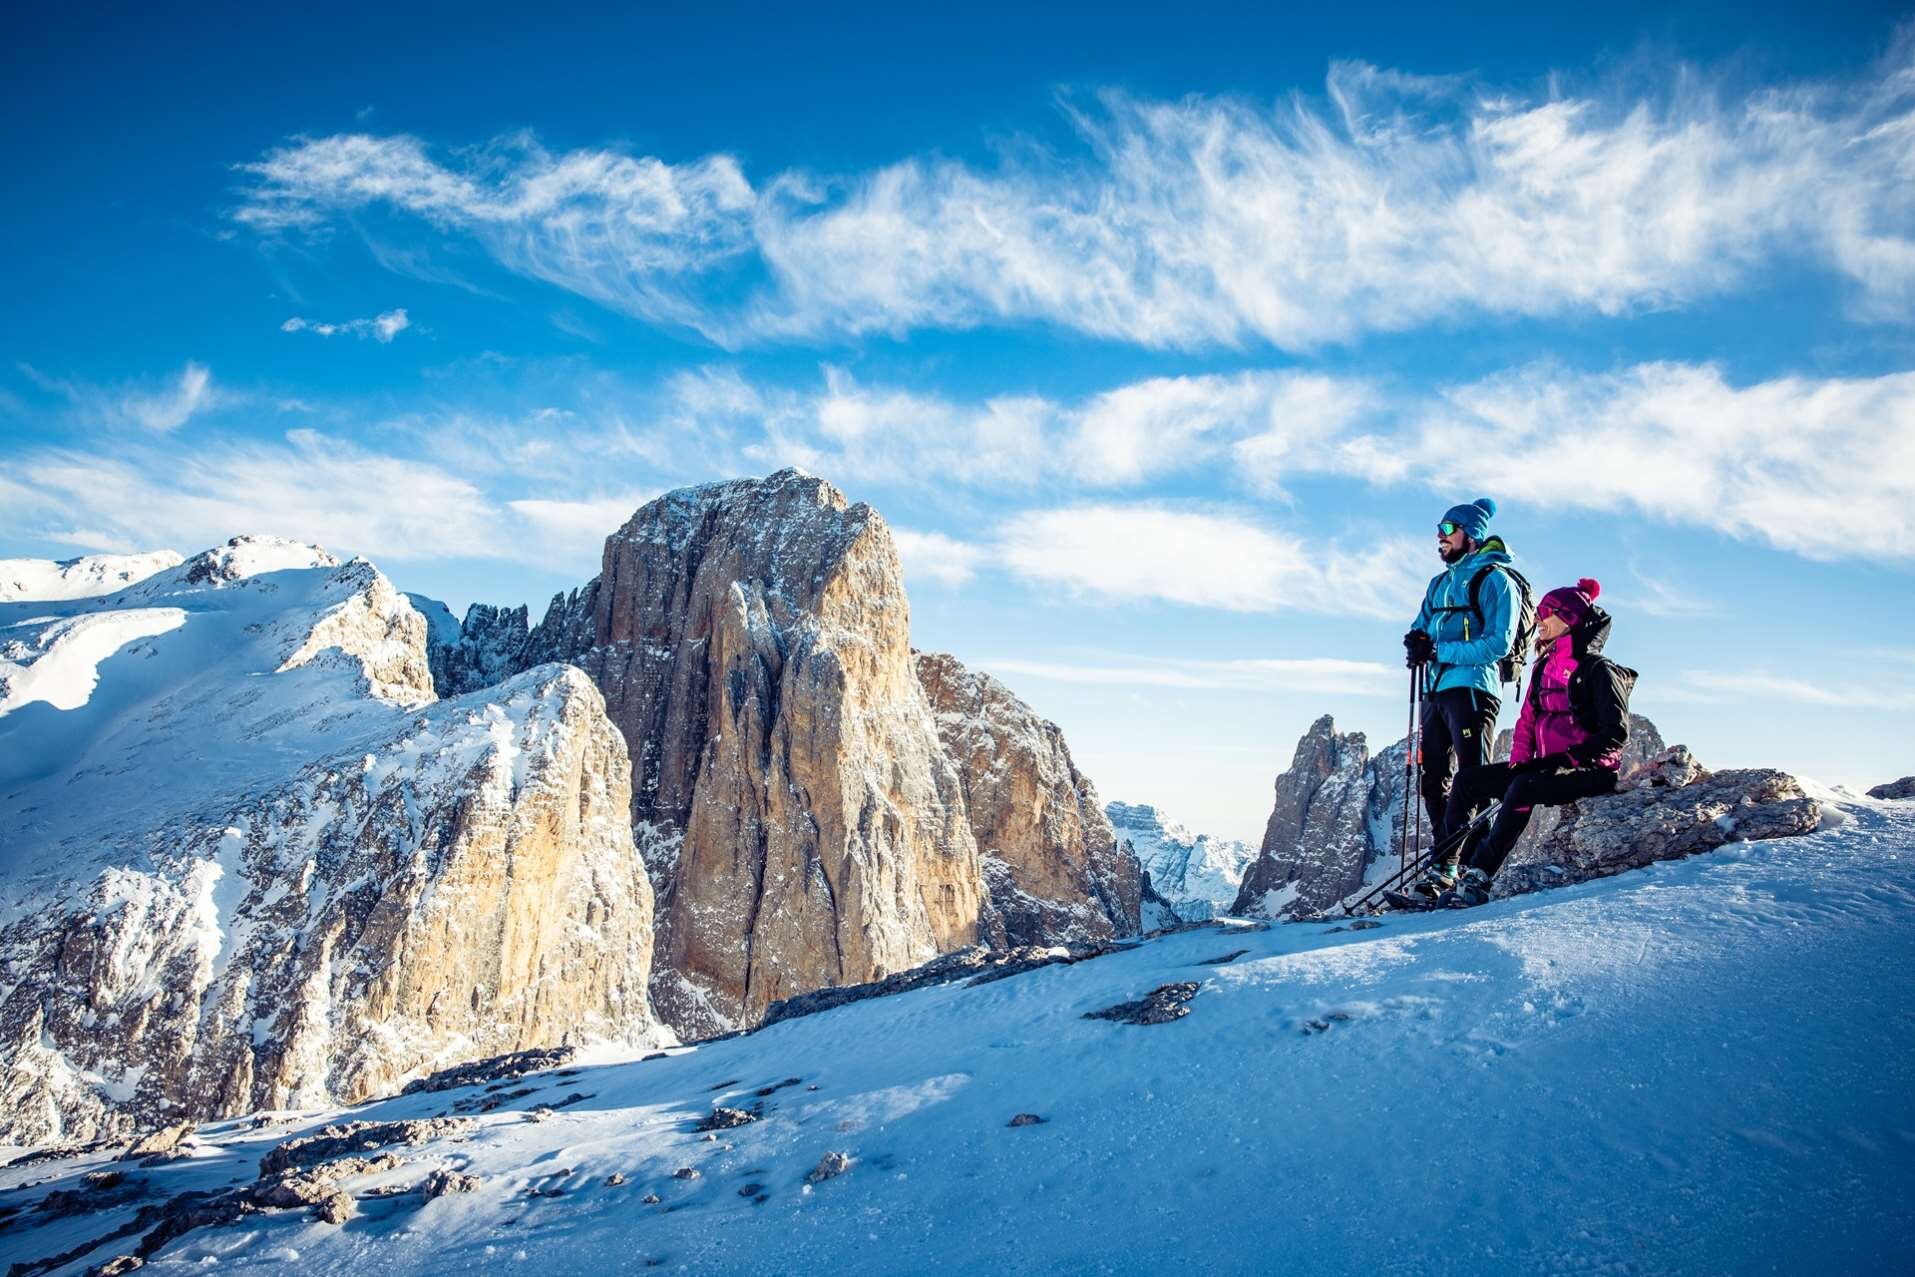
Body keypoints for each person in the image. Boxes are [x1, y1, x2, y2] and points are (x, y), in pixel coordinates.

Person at [1437, 577, 1633, 907]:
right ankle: (1450, 869)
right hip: (1544, 766)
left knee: (1524, 787)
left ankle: (1480, 877)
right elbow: (1528, 718)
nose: (1537, 619)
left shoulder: (1598, 669)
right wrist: (1519, 759)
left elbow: (1616, 734)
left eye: (1545, 612)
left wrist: (1568, 759)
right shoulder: (1544, 666)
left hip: (1590, 770)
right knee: (1468, 781)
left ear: (1570, 618)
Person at [1401, 497, 1520, 900]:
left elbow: (1498, 644)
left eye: (1448, 529)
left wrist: (1439, 651)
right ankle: (1448, 863)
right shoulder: (1439, 583)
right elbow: (1422, 626)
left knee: (1472, 780)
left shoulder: (1495, 580)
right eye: (1439, 528)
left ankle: (1462, 869)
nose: (1440, 535)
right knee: (1432, 781)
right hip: (1434, 690)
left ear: (1471, 535)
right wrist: (1417, 642)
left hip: (1472, 690)